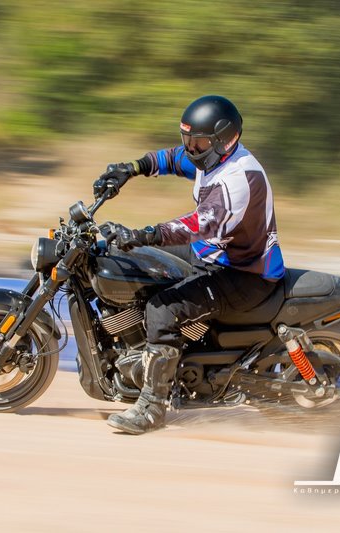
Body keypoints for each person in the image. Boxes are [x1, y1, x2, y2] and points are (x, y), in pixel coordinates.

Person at [94, 95, 285, 434]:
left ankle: (152, 407)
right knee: (133, 263)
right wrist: (131, 168)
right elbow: (171, 159)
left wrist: (143, 234)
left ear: (225, 139)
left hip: (243, 272)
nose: (191, 149)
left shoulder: (238, 178)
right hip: (213, 254)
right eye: (188, 139)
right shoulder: (209, 159)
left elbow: (198, 225)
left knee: (162, 309)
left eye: (198, 142)